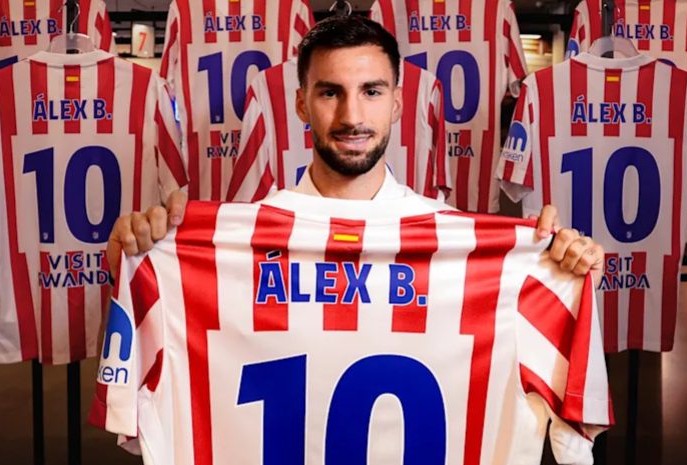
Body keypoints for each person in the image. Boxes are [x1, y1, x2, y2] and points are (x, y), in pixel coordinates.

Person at [106, 15, 605, 278]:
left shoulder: (454, 242)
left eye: (371, 91)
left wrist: (558, 265)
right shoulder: (245, 239)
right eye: (329, 93)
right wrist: (137, 257)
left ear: (397, 105)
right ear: (301, 106)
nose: (351, 117)